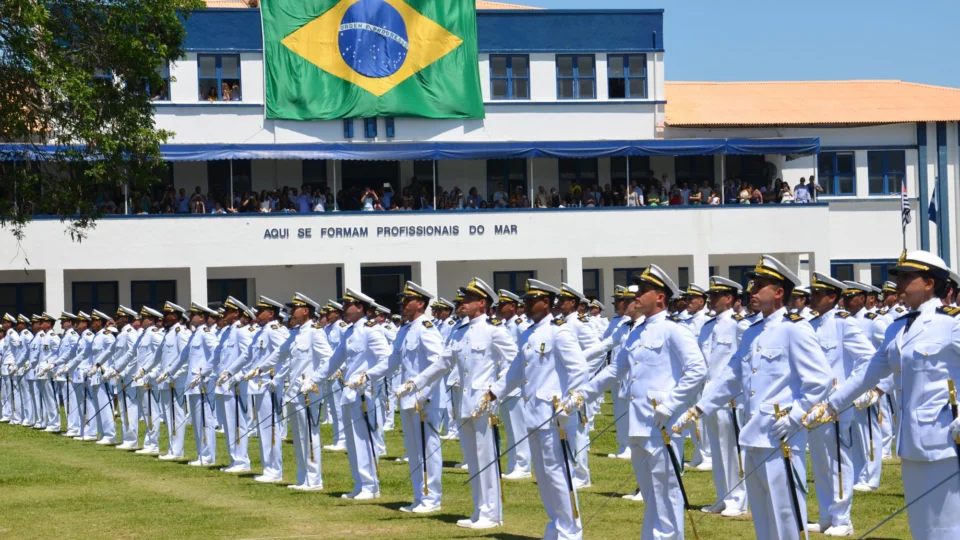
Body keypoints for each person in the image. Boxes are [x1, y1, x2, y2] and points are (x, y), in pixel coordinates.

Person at [804, 250, 960, 539]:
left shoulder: (951, 323)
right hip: (912, 441)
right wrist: (830, 406)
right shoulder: (898, 327)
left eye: (906, 276)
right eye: (898, 276)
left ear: (929, 282)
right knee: (922, 528)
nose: (899, 282)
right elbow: (869, 373)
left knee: (948, 526)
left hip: (945, 441)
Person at [676, 255, 833, 540]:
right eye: (752, 285)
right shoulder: (752, 332)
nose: (752, 292)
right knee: (763, 516)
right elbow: (731, 377)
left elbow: (820, 380)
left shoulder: (794, 330)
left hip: (780, 435)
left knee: (786, 515)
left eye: (759, 285)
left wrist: (796, 416)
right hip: (753, 434)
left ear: (778, 292)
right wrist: (699, 408)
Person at [568, 265, 706, 540]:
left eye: (643, 292)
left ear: (660, 297)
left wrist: (670, 405)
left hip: (661, 424)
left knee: (666, 492)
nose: (636, 297)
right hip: (639, 424)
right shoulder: (637, 332)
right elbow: (615, 370)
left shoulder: (673, 330)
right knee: (651, 495)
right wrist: (583, 393)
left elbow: (697, 369)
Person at [478, 279, 588, 540]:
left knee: (559, 475)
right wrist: (493, 392)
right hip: (534, 415)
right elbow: (517, 370)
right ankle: (555, 525)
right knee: (544, 476)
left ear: (546, 303)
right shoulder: (529, 333)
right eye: (524, 301)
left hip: (554, 415)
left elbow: (579, 369)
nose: (525, 305)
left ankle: (570, 532)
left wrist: (570, 402)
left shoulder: (559, 331)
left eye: (530, 301)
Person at [360, 282, 445, 513]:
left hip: (424, 398)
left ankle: (432, 498)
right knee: (414, 449)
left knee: (428, 448)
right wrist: (367, 376)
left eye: (408, 301)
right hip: (408, 398)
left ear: (421, 303)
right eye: (403, 301)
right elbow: (392, 360)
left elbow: (439, 364)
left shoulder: (427, 329)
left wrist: (425, 394)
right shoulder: (406, 329)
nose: (403, 305)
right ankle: (419, 496)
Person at [309, 288, 391, 501]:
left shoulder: (371, 331)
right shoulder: (350, 332)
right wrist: (314, 380)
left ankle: (371, 485)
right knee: (354, 442)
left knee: (364, 440)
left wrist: (366, 377)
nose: (344, 308)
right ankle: (360, 483)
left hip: (364, 393)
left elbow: (386, 360)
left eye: (348, 305)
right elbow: (333, 361)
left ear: (361, 308)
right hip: (350, 392)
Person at [697, 277, 749, 517]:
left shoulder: (740, 324)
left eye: (717, 296)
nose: (711, 300)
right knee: (717, 450)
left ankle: (738, 499)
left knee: (733, 450)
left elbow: (745, 362)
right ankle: (723, 496)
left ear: (729, 299)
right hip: (708, 397)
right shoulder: (708, 326)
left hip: (730, 398)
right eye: (711, 296)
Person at [276, 293, 333, 491]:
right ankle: (303, 477)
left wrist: (314, 380)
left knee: (309, 433)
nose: (292, 312)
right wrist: (256, 369)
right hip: (293, 391)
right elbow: (278, 355)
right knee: (299, 435)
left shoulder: (315, 332)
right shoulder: (295, 333)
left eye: (295, 308)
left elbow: (328, 359)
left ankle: (314, 479)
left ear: (306, 310)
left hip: (308, 392)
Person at [242, 296, 290, 483]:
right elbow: (250, 358)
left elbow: (286, 355)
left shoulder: (275, 331)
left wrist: (277, 380)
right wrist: (233, 373)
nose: (256, 314)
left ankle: (274, 470)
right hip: (259, 385)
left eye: (260, 311)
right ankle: (267, 467)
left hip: (269, 385)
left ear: (271, 313)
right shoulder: (261, 332)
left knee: (271, 428)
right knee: (263, 428)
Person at [214, 297, 256, 472]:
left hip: (236, 384)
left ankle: (241, 461)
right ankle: (234, 459)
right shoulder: (227, 332)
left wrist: (240, 376)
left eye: (227, 311)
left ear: (236, 313)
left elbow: (250, 356)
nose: (223, 314)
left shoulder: (241, 331)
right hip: (225, 384)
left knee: (238, 422)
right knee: (229, 424)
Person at [152, 303, 191, 460]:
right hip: (166, 380)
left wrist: (174, 375)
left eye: (167, 314)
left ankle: (177, 451)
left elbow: (185, 358)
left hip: (176, 381)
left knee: (176, 415)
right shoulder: (168, 333)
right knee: (168, 416)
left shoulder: (180, 333)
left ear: (174, 316)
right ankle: (172, 448)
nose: (163, 317)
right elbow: (161, 358)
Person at [183, 303, 220, 466]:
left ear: (202, 317)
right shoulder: (195, 334)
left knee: (205, 419)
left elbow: (216, 353)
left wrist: (206, 372)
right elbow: (184, 356)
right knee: (198, 420)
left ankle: (207, 456)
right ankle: (201, 454)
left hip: (202, 383)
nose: (190, 318)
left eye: (193, 315)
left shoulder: (206, 333)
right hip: (193, 383)